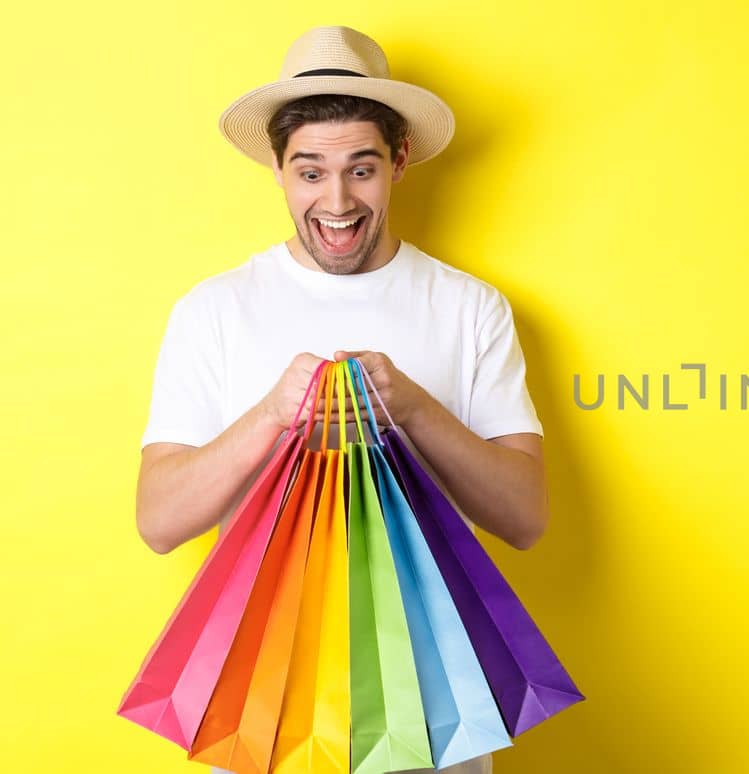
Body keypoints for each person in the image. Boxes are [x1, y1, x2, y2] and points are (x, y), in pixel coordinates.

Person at [135, 26, 544, 774]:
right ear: (278, 169)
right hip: (267, 709)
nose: (337, 200)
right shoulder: (214, 310)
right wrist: (268, 416)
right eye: (310, 171)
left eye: (361, 168)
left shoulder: (469, 308)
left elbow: (524, 519)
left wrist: (414, 407)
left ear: (399, 161)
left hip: (437, 710)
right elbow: (160, 523)